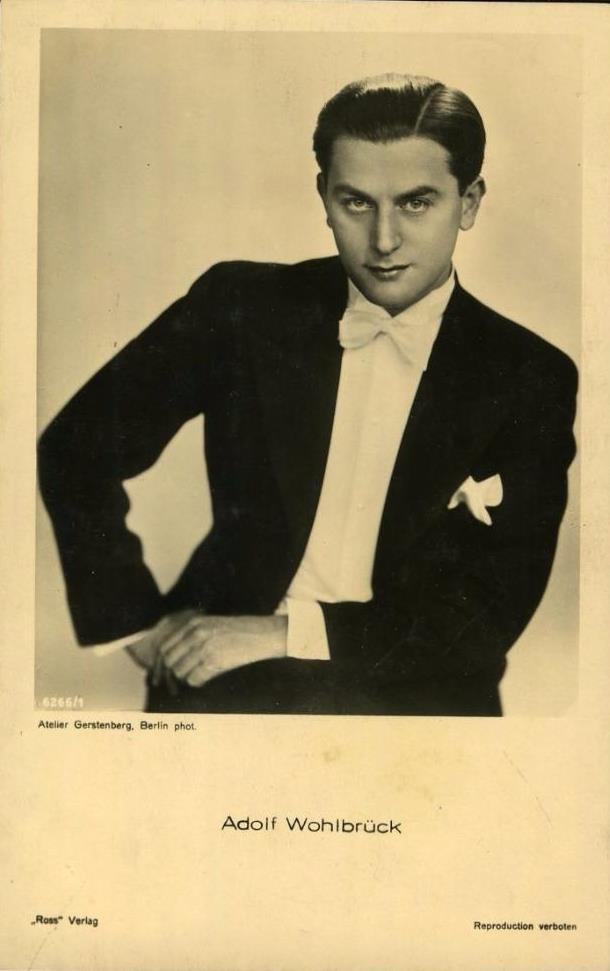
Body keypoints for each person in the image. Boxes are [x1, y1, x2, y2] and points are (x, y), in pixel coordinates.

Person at [38, 73, 578, 716]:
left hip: (421, 703)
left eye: (416, 203)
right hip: (223, 684)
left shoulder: (529, 376)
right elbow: (76, 449)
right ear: (323, 196)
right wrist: (132, 623)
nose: (383, 240)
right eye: (356, 203)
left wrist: (282, 634)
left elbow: (484, 621)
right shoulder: (242, 306)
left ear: (469, 202)